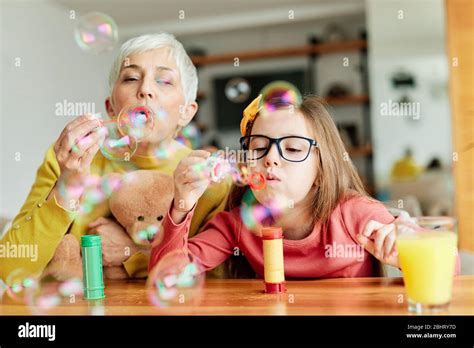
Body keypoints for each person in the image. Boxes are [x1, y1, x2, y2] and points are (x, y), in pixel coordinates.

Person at [0, 33, 230, 282]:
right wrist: (67, 185)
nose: (145, 90)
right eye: (131, 78)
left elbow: (218, 280)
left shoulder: (206, 177)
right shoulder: (68, 161)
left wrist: (133, 252)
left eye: (163, 81)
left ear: (187, 112)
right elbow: (11, 268)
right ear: (111, 108)